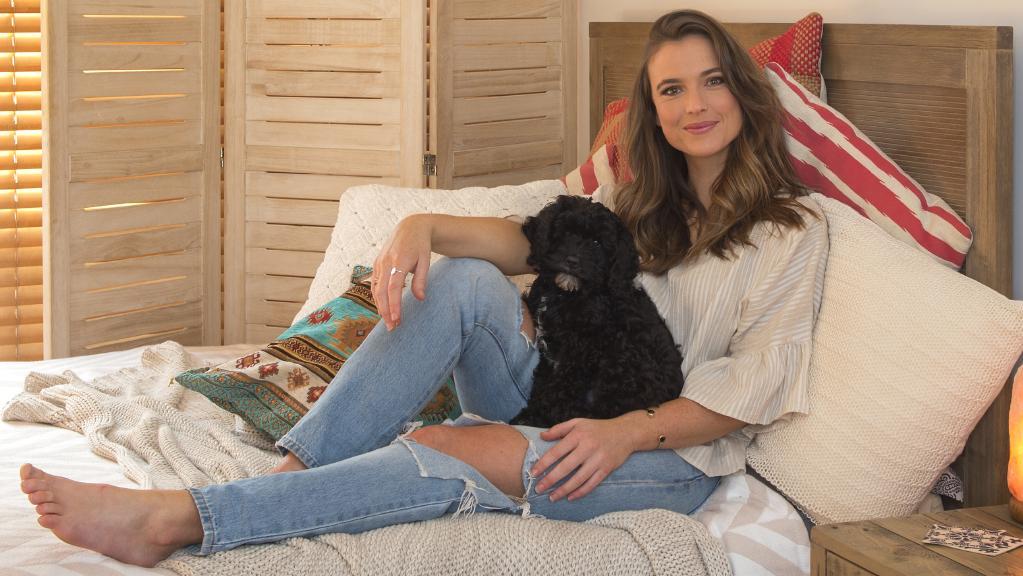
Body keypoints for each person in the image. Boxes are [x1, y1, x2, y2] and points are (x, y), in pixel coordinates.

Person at [19, 9, 828, 567]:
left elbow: (753, 384)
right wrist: (425, 227)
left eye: (711, 81)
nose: (694, 105)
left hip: (666, 454)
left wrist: (622, 434)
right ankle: (292, 480)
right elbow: (526, 241)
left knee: (444, 446)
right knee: (463, 279)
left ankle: (184, 520)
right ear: (651, 109)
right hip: (561, 393)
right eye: (671, 89)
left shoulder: (794, 230)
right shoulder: (637, 200)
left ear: (741, 91)